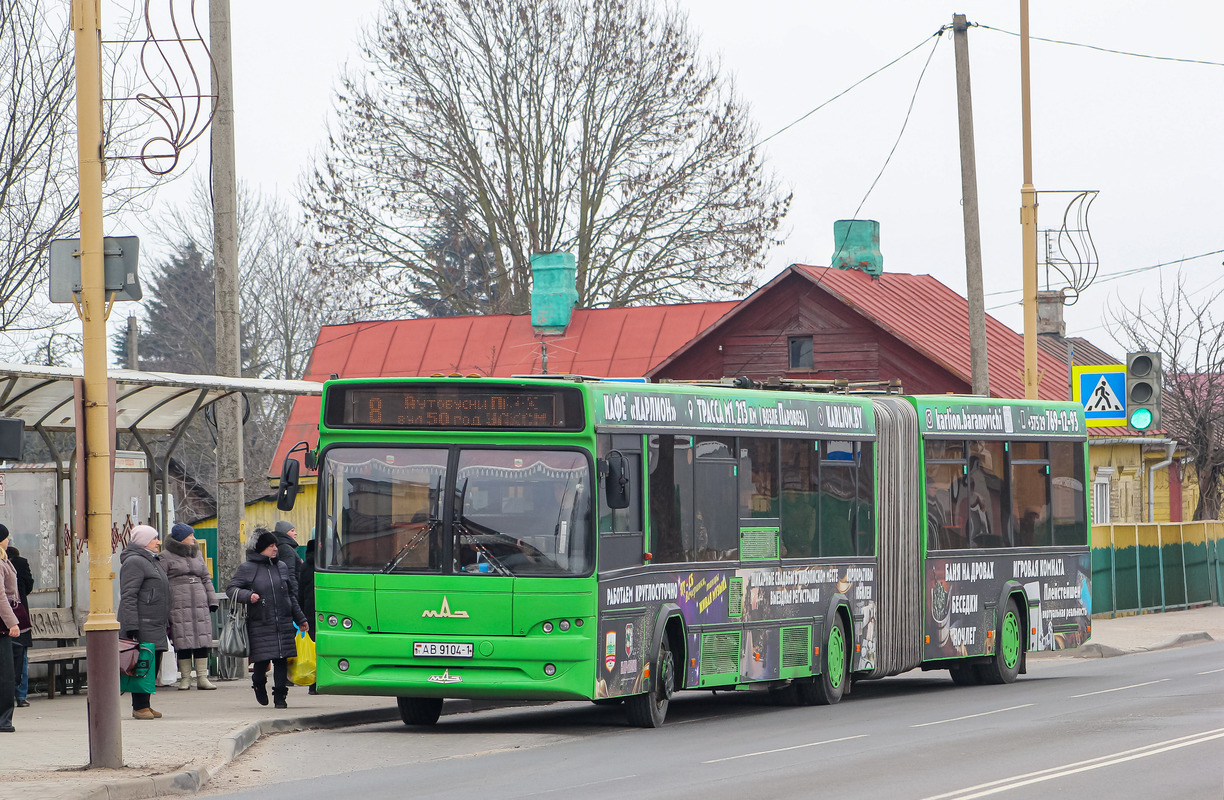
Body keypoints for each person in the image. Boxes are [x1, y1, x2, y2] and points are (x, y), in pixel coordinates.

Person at [228, 527, 309, 709]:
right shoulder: (247, 568)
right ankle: (258, 684)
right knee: (262, 660)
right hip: (261, 622)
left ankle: (280, 696)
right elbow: (231, 589)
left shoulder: (281, 566)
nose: (275, 549)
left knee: (282, 660)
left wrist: (301, 619)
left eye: (276, 545)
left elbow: (290, 595)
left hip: (284, 620)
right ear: (260, 548)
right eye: (271, 545)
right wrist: (248, 596)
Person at [118, 525, 171, 720]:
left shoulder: (151, 560)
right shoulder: (134, 562)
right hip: (142, 622)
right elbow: (129, 596)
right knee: (143, 664)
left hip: (155, 622)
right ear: (143, 540)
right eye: (154, 538)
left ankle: (145, 703)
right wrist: (131, 626)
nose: (158, 542)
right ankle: (139, 706)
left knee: (152, 662)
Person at [161, 523, 220, 691]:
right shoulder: (165, 556)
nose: (193, 538)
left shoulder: (197, 554)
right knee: (182, 638)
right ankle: (185, 678)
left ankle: (202, 677)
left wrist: (212, 599)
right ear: (181, 538)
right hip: (178, 602)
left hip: (199, 601)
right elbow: (162, 581)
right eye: (190, 535)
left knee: (202, 638)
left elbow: (206, 578)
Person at [0, 526, 21, 731]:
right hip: (1, 624)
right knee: (5, 672)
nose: (8, 541)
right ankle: (3, 719)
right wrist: (12, 622)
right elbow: (1, 596)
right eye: (6, 537)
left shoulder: (4, 559)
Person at [7, 544, 33, 707]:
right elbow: (29, 584)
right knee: (21, 654)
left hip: (9, 616)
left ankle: (8, 695)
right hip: (19, 613)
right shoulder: (21, 563)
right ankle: (21, 696)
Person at [298, 538, 317, 695]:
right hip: (323, 610)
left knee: (311, 648)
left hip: (308, 611)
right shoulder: (324, 566)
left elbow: (300, 592)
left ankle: (312, 683)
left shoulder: (304, 567)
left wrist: (301, 613)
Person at [272, 520, 303, 599]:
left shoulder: (278, 546)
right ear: (284, 533)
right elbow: (290, 574)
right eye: (292, 531)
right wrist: (296, 595)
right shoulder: (287, 549)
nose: (295, 533)